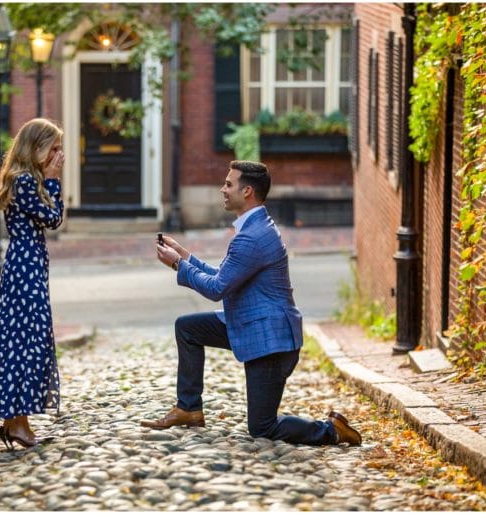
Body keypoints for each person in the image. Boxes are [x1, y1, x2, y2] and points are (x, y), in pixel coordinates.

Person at [141, 160, 362, 446]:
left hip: (271, 342)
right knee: (188, 328)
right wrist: (185, 257)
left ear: (247, 192)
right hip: (250, 324)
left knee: (263, 427)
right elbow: (226, 277)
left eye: (229, 184)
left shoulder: (253, 237)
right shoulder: (254, 228)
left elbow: (217, 288)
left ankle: (331, 430)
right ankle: (189, 408)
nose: (223, 189)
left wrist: (178, 265)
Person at [0, 118, 65, 450]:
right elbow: (52, 218)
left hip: (29, 263)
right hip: (24, 267)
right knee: (24, 341)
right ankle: (16, 422)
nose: (60, 155)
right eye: (55, 148)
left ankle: (17, 422)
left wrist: (48, 180)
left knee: (27, 340)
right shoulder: (23, 182)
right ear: (38, 149)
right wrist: (53, 181)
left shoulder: (28, 180)